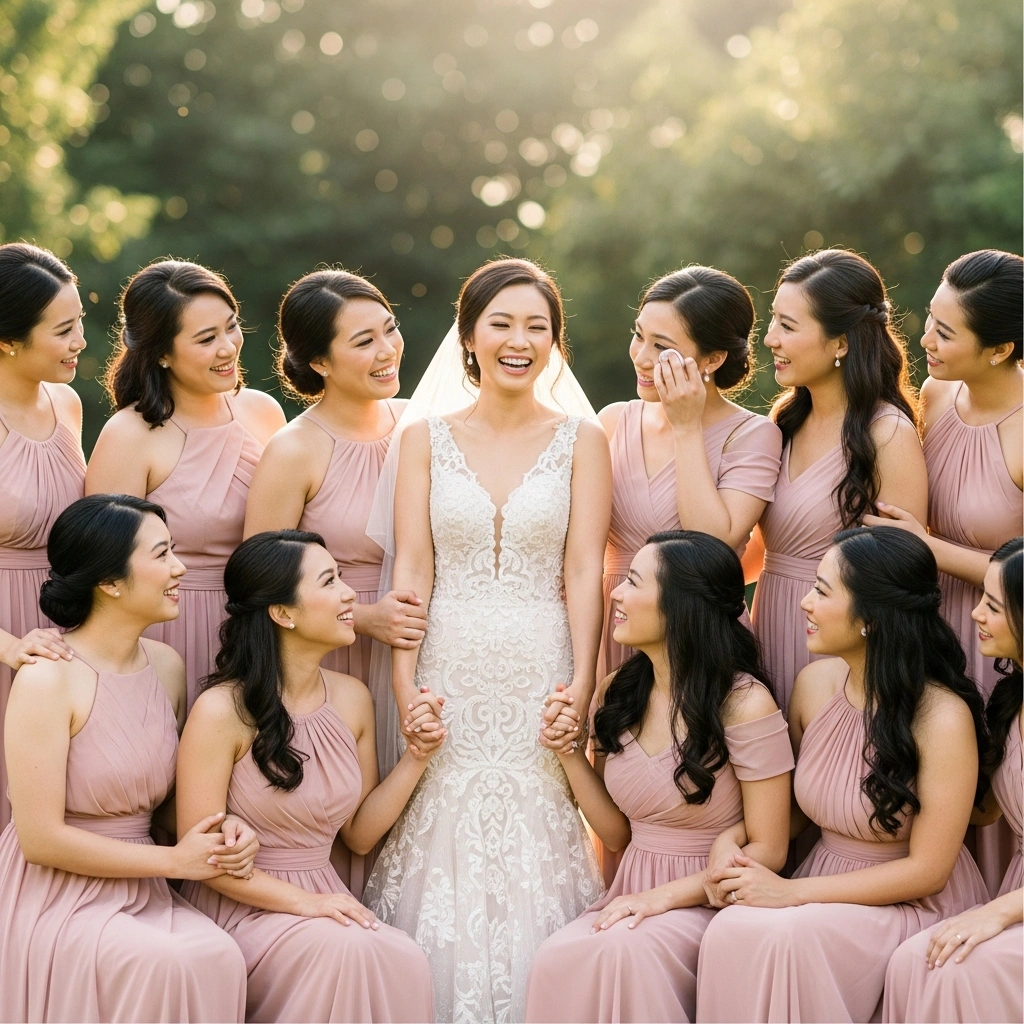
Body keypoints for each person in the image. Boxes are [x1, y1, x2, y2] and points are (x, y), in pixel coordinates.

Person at [363, 258, 609, 1023]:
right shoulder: (423, 439)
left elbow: (581, 571)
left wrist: (583, 682)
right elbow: (412, 565)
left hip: (545, 660)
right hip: (448, 657)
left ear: (555, 342)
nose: (519, 340)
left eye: (538, 326)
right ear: (468, 335)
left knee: (543, 815)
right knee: (441, 814)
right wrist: (406, 685)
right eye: (502, 322)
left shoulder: (584, 440)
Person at [696, 526, 990, 1023]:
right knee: (731, 930)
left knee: (785, 938)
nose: (805, 603)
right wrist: (730, 843)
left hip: (907, 903)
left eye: (823, 591)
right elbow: (791, 815)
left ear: (870, 618)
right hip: (822, 883)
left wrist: (791, 893)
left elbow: (929, 870)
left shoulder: (942, 717)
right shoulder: (814, 686)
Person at [0, 494, 253, 1022]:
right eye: (161, 554)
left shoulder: (167, 667)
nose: (181, 568)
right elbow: (40, 839)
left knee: (220, 954)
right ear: (110, 583)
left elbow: (160, 810)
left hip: (143, 886)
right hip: (55, 892)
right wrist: (175, 862)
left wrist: (225, 830)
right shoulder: (47, 679)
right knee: (162, 963)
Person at [524, 530, 792, 1023]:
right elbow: (616, 834)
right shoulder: (617, 692)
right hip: (630, 889)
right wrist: (567, 754)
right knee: (556, 957)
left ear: (680, 606)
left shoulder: (745, 702)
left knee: (625, 954)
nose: (616, 593)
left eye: (632, 582)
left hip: (711, 901)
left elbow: (771, 848)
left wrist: (662, 898)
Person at [178, 530, 437, 1023]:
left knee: (401, 957)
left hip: (325, 898)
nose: (349, 594)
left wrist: (417, 757)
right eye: (330, 581)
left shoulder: (352, 697)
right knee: (345, 952)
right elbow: (203, 855)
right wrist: (304, 904)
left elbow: (359, 836)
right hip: (241, 901)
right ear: (283, 613)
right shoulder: (220, 710)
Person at [863, 250, 1023, 895]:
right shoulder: (934, 394)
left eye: (946, 332)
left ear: (1001, 348)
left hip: (1003, 643)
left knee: (996, 795)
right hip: (932, 636)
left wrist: (931, 550)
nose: (923, 340)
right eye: (929, 318)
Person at [244, 269, 426, 794]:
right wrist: (365, 618)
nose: (387, 349)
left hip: (425, 643)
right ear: (319, 362)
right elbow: (260, 578)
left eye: (390, 330)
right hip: (336, 649)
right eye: (364, 341)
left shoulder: (422, 422)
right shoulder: (295, 449)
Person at [87, 259, 285, 709]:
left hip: (262, 629)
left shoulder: (263, 412)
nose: (228, 347)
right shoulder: (129, 435)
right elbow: (102, 566)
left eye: (231, 327)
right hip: (166, 631)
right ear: (161, 352)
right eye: (206, 339)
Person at [750, 249, 927, 714]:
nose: (769, 338)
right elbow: (752, 551)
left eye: (788, 326)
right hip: (766, 626)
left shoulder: (887, 434)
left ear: (841, 343)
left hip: (841, 648)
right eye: (773, 321)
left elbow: (899, 581)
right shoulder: (784, 421)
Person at [597, 267, 782, 681]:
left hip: (694, 637)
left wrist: (685, 427)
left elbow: (711, 543)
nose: (642, 356)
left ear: (712, 359)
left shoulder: (754, 435)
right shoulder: (612, 421)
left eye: (661, 346)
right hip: (610, 624)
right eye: (638, 334)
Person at [883, 536, 1023, 1023]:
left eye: (994, 605)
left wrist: (998, 912)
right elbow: (984, 810)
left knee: (959, 969)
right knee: (911, 961)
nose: (975, 615)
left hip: (1015, 906)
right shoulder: (1009, 702)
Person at [0, 243, 87, 828]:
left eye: (80, 320)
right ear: (8, 340)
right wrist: (7, 647)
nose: (81, 339)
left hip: (61, 634)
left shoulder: (69, 404)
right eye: (63, 329)